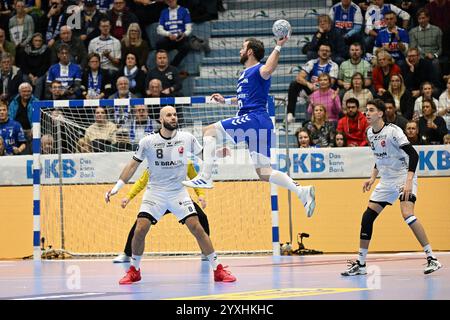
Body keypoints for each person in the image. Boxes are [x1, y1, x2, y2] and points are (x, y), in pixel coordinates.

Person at [182, 37, 316, 218]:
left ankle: (205, 175)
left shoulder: (259, 69)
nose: (239, 51)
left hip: (254, 118)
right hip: (260, 123)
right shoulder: (245, 74)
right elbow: (245, 98)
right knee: (264, 172)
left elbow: (269, 69)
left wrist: (278, 45)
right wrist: (226, 100)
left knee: (208, 131)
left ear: (250, 51)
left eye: (242, 47)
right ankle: (302, 191)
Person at [105, 106, 236, 284]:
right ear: (161, 119)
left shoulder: (187, 138)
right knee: (140, 229)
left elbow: (202, 155)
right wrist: (117, 187)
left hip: (178, 192)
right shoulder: (148, 141)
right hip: (155, 192)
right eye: (169, 115)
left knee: (197, 227)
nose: (173, 117)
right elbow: (133, 165)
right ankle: (134, 270)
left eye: (175, 114)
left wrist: (218, 154)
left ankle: (218, 269)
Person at [341, 99, 442, 276]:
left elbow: (413, 155)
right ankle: (361, 264)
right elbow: (379, 157)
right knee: (367, 217)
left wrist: (409, 181)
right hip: (387, 179)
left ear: (380, 113)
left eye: (371, 110)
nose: (367, 113)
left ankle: (432, 258)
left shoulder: (393, 131)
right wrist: (372, 178)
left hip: (404, 176)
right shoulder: (370, 133)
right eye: (366, 110)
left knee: (407, 214)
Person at [112, 161, 212, 263]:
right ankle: (127, 254)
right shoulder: (155, 160)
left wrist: (201, 195)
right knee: (139, 226)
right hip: (158, 200)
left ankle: (206, 252)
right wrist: (128, 197)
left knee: (202, 218)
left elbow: (194, 179)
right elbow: (142, 182)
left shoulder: (186, 162)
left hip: (178, 198)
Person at [287, 43, 339, 123]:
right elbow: (299, 77)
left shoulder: (333, 65)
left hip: (325, 92)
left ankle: (307, 99)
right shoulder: (312, 63)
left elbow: (331, 83)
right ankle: (290, 113)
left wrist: (318, 87)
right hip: (311, 89)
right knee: (294, 84)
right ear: (318, 52)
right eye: (322, 50)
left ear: (330, 53)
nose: (324, 52)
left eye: (327, 51)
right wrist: (309, 84)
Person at [156, 0, 192, 67]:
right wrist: (168, 34)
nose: (170, 1)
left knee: (186, 46)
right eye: (168, 0)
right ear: (166, 2)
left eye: (172, 0)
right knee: (159, 44)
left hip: (181, 38)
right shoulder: (164, 12)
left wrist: (184, 34)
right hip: (169, 38)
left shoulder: (184, 10)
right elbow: (159, 29)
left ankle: (173, 66)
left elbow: (189, 28)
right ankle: (161, 65)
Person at [409, 8, 443, 77]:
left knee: (435, 62)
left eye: (423, 18)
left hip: (434, 56)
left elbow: (440, 48)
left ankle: (436, 84)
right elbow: (414, 48)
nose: (421, 20)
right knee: (421, 62)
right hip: (419, 56)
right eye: (419, 19)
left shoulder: (437, 30)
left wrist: (434, 55)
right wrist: (425, 55)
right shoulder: (413, 32)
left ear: (428, 18)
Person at [16, 33, 51, 99]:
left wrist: (36, 76)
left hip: (40, 73)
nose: (37, 42)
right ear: (32, 41)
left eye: (39, 41)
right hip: (28, 73)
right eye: (36, 40)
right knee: (25, 78)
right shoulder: (25, 50)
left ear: (42, 41)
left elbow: (45, 65)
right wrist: (31, 76)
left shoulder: (46, 50)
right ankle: (26, 99)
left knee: (38, 82)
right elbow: (23, 65)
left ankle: (36, 102)